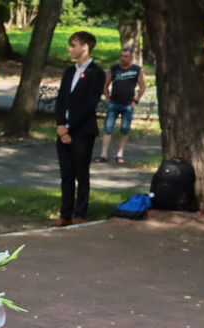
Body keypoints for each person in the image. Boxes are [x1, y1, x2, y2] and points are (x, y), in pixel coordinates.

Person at [55, 31, 106, 227]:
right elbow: (61, 99)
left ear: (84, 47)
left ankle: (80, 212)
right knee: (66, 173)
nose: (70, 49)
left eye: (73, 45)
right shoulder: (69, 72)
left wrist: (69, 128)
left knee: (81, 173)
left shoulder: (96, 73)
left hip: (82, 131)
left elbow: (89, 104)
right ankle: (65, 213)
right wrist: (60, 125)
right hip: (63, 131)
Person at [95, 47, 145, 164]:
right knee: (108, 128)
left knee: (125, 129)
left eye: (126, 57)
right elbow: (106, 84)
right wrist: (107, 97)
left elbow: (142, 86)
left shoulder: (137, 70)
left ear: (131, 58)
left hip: (128, 105)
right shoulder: (114, 69)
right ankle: (104, 153)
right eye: (121, 56)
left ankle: (120, 153)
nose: (123, 59)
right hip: (114, 104)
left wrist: (136, 100)